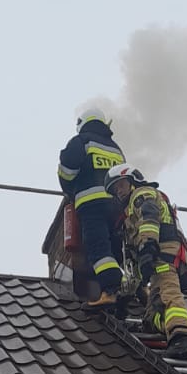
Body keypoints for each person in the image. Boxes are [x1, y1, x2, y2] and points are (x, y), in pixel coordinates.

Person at [104, 164, 187, 359]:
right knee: (151, 314)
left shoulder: (142, 194)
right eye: (114, 190)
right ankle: (167, 327)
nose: (117, 192)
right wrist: (125, 296)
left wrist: (147, 246)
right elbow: (134, 268)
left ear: (132, 180)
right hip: (154, 253)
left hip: (163, 249)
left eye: (120, 185)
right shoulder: (127, 217)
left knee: (166, 290)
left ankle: (181, 337)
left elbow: (149, 217)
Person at [57, 107, 126, 306]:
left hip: (91, 204)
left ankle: (110, 291)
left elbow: (67, 171)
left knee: (98, 247)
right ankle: (136, 288)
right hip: (116, 207)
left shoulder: (81, 141)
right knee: (117, 249)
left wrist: (70, 191)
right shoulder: (116, 148)